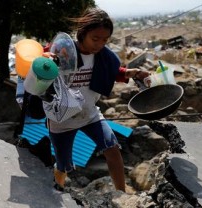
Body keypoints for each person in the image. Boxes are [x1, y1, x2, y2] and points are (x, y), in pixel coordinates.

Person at [45, 7, 150, 192]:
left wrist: (130, 73)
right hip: (61, 120)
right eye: (95, 39)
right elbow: (42, 60)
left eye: (104, 40)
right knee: (63, 165)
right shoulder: (63, 50)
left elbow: (111, 72)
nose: (100, 44)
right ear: (83, 33)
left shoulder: (103, 57)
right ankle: (57, 192)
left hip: (89, 114)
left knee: (113, 150)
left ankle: (121, 194)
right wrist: (45, 58)